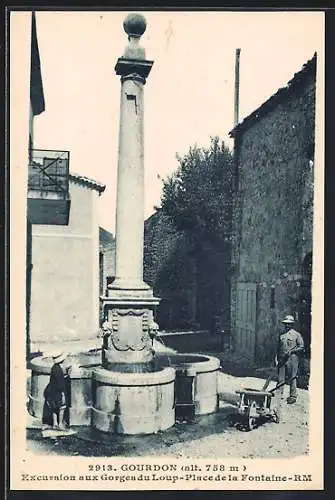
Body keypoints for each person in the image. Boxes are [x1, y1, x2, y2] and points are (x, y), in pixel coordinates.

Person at [275, 315, 305, 404]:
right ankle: (279, 394)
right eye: (286, 324)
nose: (287, 326)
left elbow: (301, 346)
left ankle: (293, 396)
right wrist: (276, 358)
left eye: (289, 324)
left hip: (292, 359)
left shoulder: (296, 335)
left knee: (292, 377)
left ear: (292, 325)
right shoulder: (281, 334)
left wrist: (292, 351)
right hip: (282, 358)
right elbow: (278, 347)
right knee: (281, 378)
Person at [42, 351, 70, 431]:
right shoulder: (59, 370)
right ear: (62, 360)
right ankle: (60, 424)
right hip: (58, 392)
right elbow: (60, 384)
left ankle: (55, 424)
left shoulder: (54, 367)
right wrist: (63, 394)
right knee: (62, 407)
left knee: (54, 407)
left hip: (52, 392)